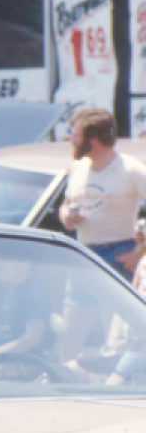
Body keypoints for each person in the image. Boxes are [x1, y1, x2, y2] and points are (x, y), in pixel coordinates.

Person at [58, 108, 146, 360]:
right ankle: (62, 380)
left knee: (115, 334)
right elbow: (66, 206)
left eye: (75, 135)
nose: (71, 141)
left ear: (93, 139)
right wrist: (68, 216)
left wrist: (140, 253)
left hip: (119, 254)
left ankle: (116, 385)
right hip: (83, 254)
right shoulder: (78, 167)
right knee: (71, 329)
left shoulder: (130, 169)